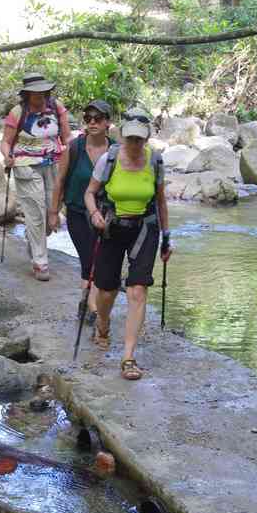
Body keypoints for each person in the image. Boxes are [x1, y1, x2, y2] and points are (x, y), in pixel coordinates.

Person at [84, 107, 173, 381]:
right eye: (130, 138)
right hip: (111, 228)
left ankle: (128, 357)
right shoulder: (109, 159)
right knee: (107, 291)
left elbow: (160, 202)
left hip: (145, 229)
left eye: (139, 139)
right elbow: (90, 193)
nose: (135, 144)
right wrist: (95, 214)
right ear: (122, 137)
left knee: (137, 290)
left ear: (146, 139)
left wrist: (167, 238)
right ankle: (102, 324)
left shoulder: (155, 162)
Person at [48, 99, 114, 322]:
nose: (92, 122)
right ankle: (91, 305)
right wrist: (53, 212)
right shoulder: (74, 148)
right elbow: (60, 181)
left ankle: (87, 302)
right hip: (77, 212)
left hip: (105, 214)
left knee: (101, 260)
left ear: (108, 123)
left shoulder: (115, 150)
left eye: (98, 119)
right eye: (88, 119)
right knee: (89, 259)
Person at [1, 73, 71, 281]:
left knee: (52, 214)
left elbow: (67, 138)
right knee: (36, 213)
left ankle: (33, 239)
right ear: (27, 94)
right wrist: (7, 155)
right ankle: (40, 263)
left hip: (54, 165)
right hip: (25, 165)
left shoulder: (57, 108)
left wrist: (73, 154)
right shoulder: (18, 112)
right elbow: (6, 141)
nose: (40, 97)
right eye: (35, 93)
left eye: (43, 92)